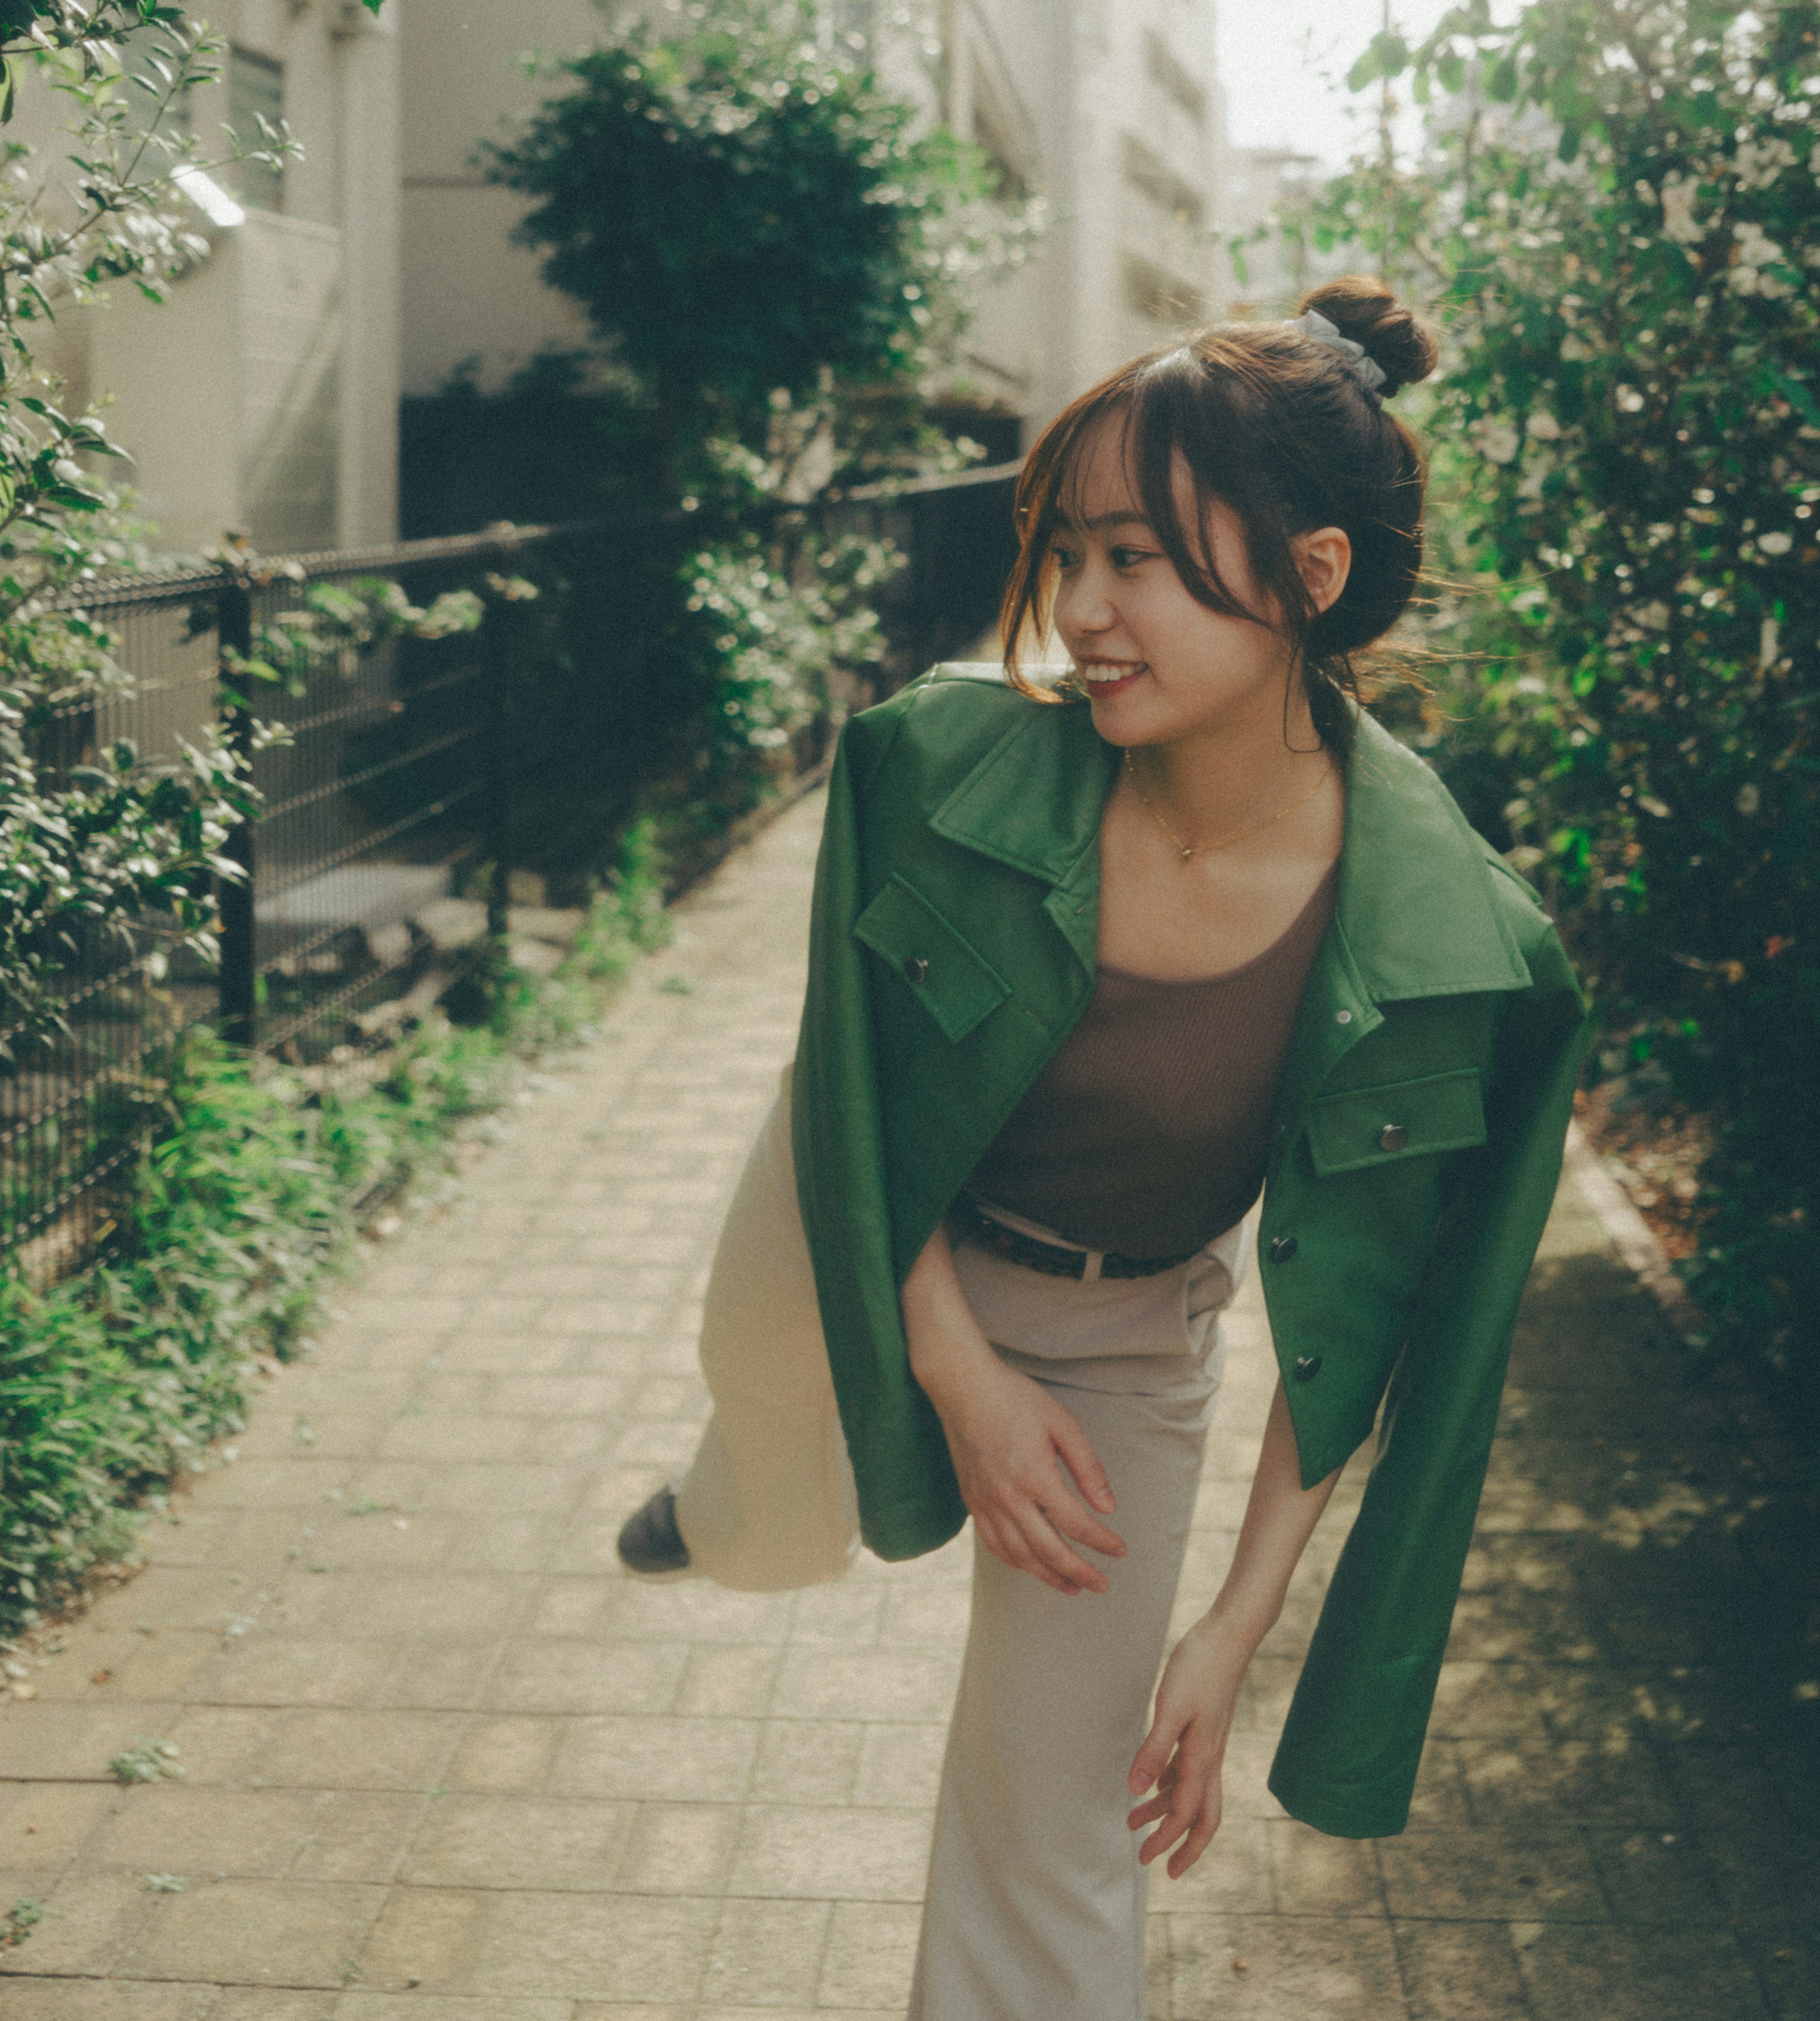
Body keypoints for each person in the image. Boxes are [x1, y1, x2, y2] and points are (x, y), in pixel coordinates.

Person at [617, 278, 1589, 2021]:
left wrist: (1233, 1628)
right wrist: (958, 1375)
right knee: (766, 1391)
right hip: (867, 1223)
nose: (1078, 611)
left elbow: (1371, 1321)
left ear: (1309, 577)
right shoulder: (936, 761)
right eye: (1068, 555)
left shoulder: (1460, 944)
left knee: (1057, 1819)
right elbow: (851, 1088)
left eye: (1134, 559)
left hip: (1129, 1343)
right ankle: (735, 1506)